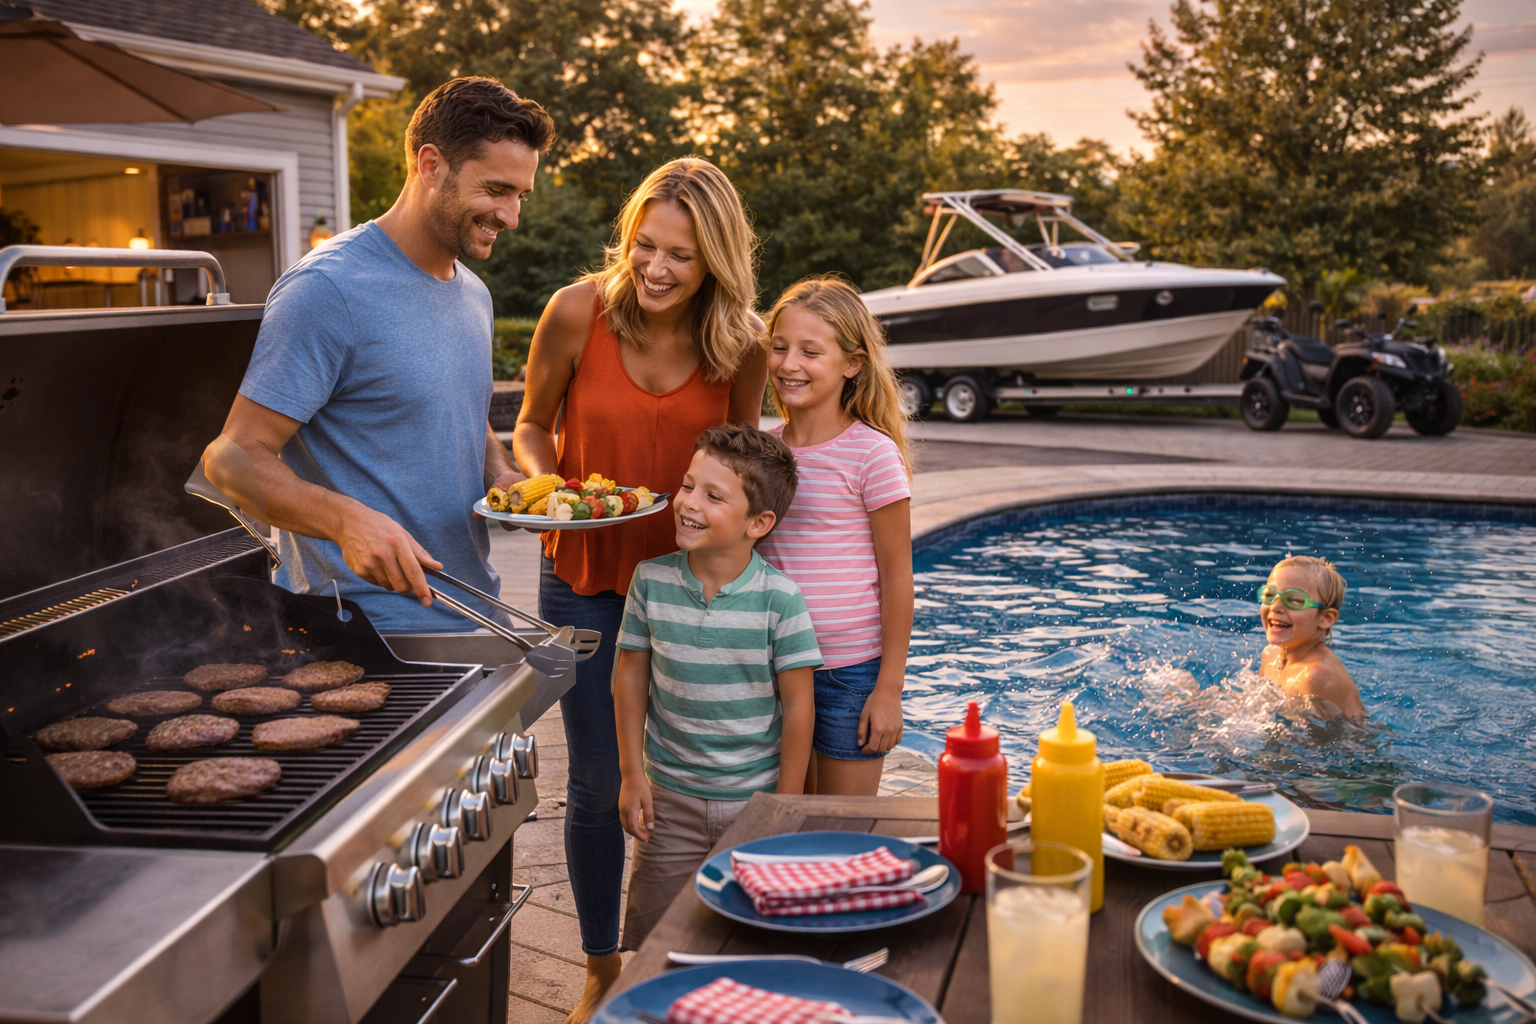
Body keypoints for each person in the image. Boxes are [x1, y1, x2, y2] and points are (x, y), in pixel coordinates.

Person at [511, 158, 768, 1021]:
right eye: (644, 246)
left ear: (718, 263)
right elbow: (531, 428)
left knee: (700, 775)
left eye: (682, 258)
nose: (656, 270)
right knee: (595, 780)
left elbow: (743, 465)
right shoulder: (578, 310)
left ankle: (695, 950)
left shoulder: (742, 343)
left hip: (693, 592)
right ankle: (597, 962)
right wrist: (551, 493)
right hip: (582, 575)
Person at [218, 77, 553, 632]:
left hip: (476, 617)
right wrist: (345, 520)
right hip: (359, 635)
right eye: (497, 189)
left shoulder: (474, 293)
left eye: (521, 195)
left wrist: (500, 473)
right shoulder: (328, 290)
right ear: (430, 165)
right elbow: (229, 460)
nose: (512, 215)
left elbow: (457, 418)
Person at [613, 424, 820, 947]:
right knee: (652, 942)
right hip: (668, 803)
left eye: (712, 495)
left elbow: (799, 708)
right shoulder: (650, 580)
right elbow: (631, 674)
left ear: (759, 522)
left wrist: (785, 806)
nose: (687, 503)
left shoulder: (782, 600)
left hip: (754, 804)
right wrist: (632, 774)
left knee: (750, 937)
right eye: (687, 485)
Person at [755, 276, 914, 796]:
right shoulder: (762, 452)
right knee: (785, 824)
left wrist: (888, 689)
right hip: (772, 669)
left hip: (848, 672)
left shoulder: (872, 455)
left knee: (841, 830)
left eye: (809, 351)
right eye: (779, 348)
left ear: (852, 363)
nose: (788, 364)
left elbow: (897, 575)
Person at [1258, 555, 1366, 718]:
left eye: (1293, 600)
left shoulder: (1314, 676)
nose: (1275, 606)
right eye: (1269, 595)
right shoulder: (1270, 655)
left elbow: (1326, 739)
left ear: (1325, 618)